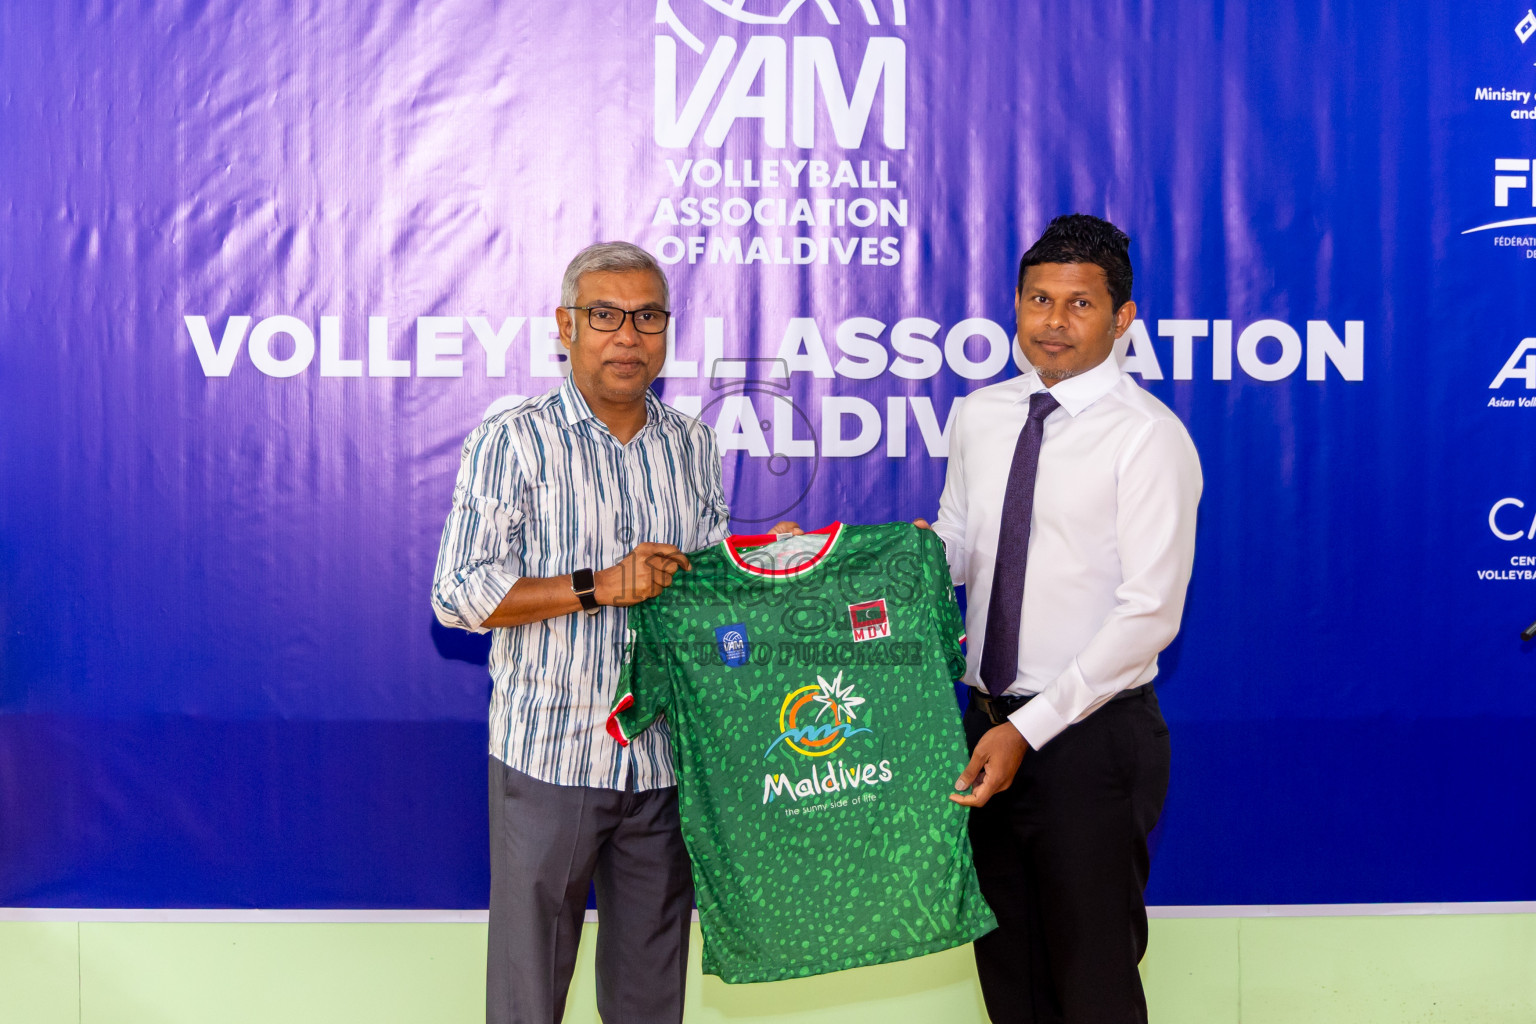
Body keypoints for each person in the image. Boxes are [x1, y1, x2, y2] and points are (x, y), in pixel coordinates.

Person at [431, 241, 798, 1024]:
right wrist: (599, 586)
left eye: (647, 317)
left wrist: (765, 567)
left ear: (667, 330)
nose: (628, 336)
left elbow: (699, 588)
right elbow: (458, 595)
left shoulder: (691, 443)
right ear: (565, 326)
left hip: (663, 763)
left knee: (649, 1000)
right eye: (605, 316)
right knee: (527, 1000)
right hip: (550, 756)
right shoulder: (514, 439)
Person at [928, 214, 1202, 1023]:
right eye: (1039, 299)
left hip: (1092, 742)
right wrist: (850, 564)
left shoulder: (1147, 438)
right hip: (985, 731)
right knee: (1009, 980)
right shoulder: (980, 414)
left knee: (1093, 989)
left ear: (1122, 319)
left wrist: (1030, 729)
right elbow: (955, 544)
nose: (1053, 321)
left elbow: (1149, 614)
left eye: (1080, 304)